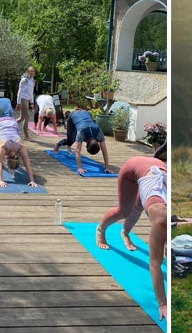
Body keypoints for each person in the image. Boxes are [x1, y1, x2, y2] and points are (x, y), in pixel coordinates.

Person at [95, 156, 168, 321]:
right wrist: (163, 304)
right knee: (125, 211)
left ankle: (125, 233)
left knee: (139, 206)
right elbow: (155, 264)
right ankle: (101, 229)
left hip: (156, 169)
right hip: (133, 168)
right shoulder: (161, 221)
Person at [0, 98, 39, 188]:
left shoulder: (20, 146)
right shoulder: (6, 147)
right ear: (7, 159)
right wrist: (0, 181)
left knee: (7, 113)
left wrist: (32, 180)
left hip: (13, 122)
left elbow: (27, 164)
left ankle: (4, 100)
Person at [53, 108, 112, 175]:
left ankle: (68, 146)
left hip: (84, 113)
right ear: (86, 145)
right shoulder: (82, 133)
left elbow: (104, 151)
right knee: (70, 141)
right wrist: (79, 168)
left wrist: (107, 167)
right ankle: (58, 144)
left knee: (73, 139)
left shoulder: (99, 133)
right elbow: (77, 151)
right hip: (73, 116)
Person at [16, 66, 36, 140]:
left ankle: (10, 126)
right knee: (27, 117)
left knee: (22, 118)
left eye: (33, 71)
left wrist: (32, 102)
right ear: (27, 72)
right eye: (30, 71)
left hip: (27, 99)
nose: (32, 72)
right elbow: (20, 91)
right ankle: (27, 136)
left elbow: (31, 92)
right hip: (23, 98)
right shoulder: (24, 80)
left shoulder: (32, 80)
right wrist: (18, 103)